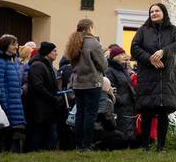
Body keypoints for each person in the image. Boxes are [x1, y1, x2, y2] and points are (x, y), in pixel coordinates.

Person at [131, 2, 176, 152]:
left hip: (166, 78)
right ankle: (145, 145)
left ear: (164, 12)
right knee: (146, 112)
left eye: (157, 11)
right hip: (148, 76)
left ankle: (161, 146)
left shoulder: (173, 30)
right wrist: (150, 58)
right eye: (151, 11)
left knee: (163, 113)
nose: (154, 13)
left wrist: (163, 52)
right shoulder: (143, 30)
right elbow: (134, 48)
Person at [66, 18, 106, 151]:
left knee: (80, 114)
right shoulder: (93, 43)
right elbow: (103, 65)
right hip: (92, 82)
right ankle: (87, 145)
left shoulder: (74, 42)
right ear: (90, 28)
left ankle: (78, 145)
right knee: (90, 115)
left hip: (78, 83)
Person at [24, 42, 64, 152]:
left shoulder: (46, 65)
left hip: (47, 108)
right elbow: (38, 87)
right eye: (54, 51)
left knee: (48, 135)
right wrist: (53, 98)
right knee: (37, 135)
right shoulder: (38, 65)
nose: (57, 53)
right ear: (47, 52)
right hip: (39, 108)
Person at [0, 35, 26, 153]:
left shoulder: (14, 61)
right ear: (5, 45)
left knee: (15, 132)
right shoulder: (1, 61)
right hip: (8, 104)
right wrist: (4, 105)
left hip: (16, 103)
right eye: (13, 44)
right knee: (6, 132)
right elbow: (0, 84)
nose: (16, 46)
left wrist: (20, 91)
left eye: (16, 44)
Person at [105, 45, 137, 146]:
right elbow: (111, 88)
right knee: (122, 127)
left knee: (129, 127)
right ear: (115, 56)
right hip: (120, 105)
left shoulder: (122, 70)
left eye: (124, 53)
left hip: (129, 104)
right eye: (121, 54)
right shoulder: (110, 71)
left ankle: (128, 147)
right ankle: (121, 147)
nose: (124, 56)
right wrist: (120, 100)